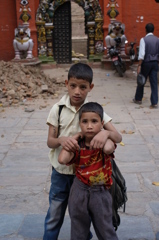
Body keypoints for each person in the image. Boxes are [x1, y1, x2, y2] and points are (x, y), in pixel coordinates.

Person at [43, 63, 122, 240]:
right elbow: (50, 141)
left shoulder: (93, 110)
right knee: (55, 214)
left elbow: (118, 137)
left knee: (80, 215)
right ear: (66, 84)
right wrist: (61, 140)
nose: (77, 91)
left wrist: (106, 132)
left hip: (85, 177)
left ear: (90, 87)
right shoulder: (58, 109)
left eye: (83, 87)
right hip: (61, 172)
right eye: (73, 86)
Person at [58, 102, 119, 240]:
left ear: (102, 123)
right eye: (85, 121)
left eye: (94, 121)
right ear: (80, 124)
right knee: (78, 229)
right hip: (79, 190)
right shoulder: (77, 145)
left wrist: (105, 133)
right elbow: (62, 159)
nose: (89, 126)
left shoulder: (105, 142)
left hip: (100, 191)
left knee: (105, 229)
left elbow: (109, 149)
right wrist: (74, 138)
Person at [133, 23, 159, 109]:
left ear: (146, 30)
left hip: (146, 63)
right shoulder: (157, 39)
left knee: (142, 80)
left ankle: (138, 98)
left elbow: (142, 54)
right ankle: (154, 102)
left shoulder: (143, 40)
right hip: (155, 62)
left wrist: (139, 65)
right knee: (154, 83)